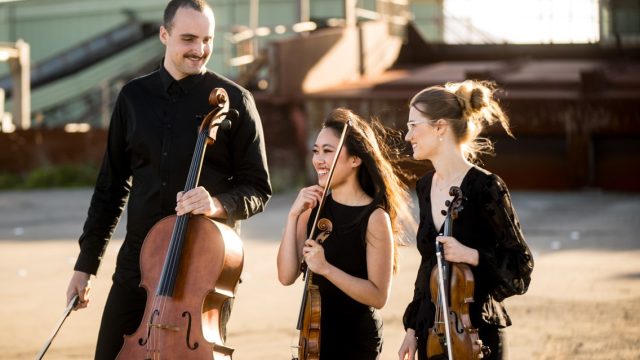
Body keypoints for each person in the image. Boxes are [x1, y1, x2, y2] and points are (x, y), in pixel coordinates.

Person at [64, 1, 271, 358]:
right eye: (188, 38)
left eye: (207, 39)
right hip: (137, 267)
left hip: (202, 273)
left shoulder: (237, 101)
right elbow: (110, 189)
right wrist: (85, 266)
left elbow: (258, 188)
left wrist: (218, 204)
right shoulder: (133, 98)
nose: (200, 50)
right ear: (164, 34)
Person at [397, 80, 534, 360]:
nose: (408, 135)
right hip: (432, 335)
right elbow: (428, 267)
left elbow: (520, 266)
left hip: (476, 335)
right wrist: (412, 328)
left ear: (440, 127)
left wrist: (470, 255)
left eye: (414, 125)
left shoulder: (486, 187)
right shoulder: (425, 186)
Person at [277, 108, 414, 359]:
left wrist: (325, 268)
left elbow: (378, 296)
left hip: (355, 342)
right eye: (316, 151)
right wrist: (293, 216)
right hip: (313, 336)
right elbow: (286, 276)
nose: (319, 159)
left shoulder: (374, 218)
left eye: (328, 151)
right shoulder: (312, 209)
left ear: (355, 159)